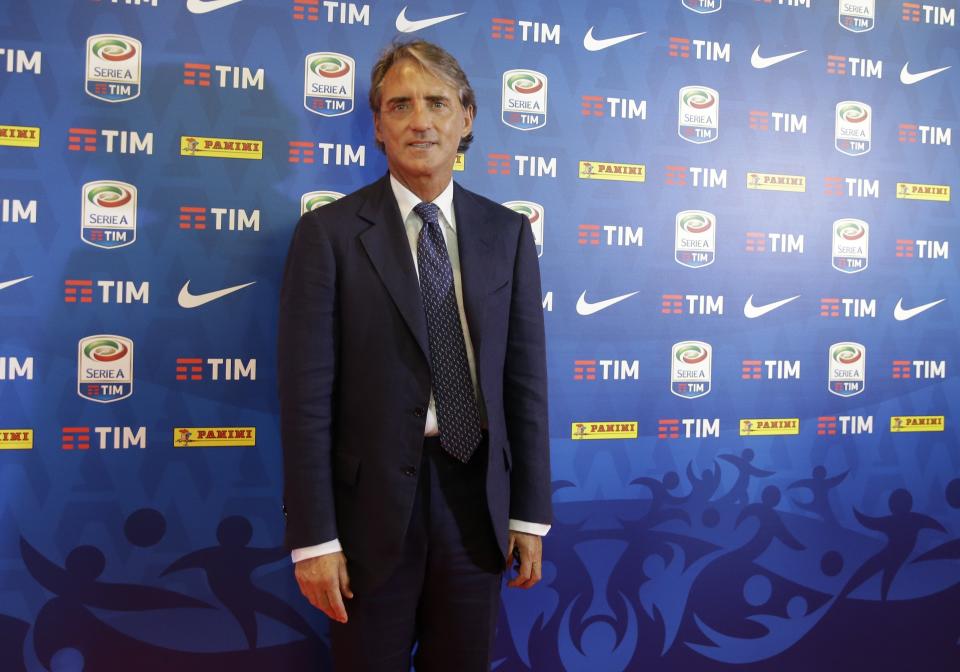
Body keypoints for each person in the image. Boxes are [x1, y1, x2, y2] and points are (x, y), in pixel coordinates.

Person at [278, 39, 552, 671]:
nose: (420, 120)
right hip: (368, 513)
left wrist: (531, 515)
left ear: (467, 118)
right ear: (378, 124)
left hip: (476, 499)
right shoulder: (328, 235)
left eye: (436, 102)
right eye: (400, 105)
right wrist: (314, 539)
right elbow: (305, 401)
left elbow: (526, 383)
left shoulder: (506, 233)